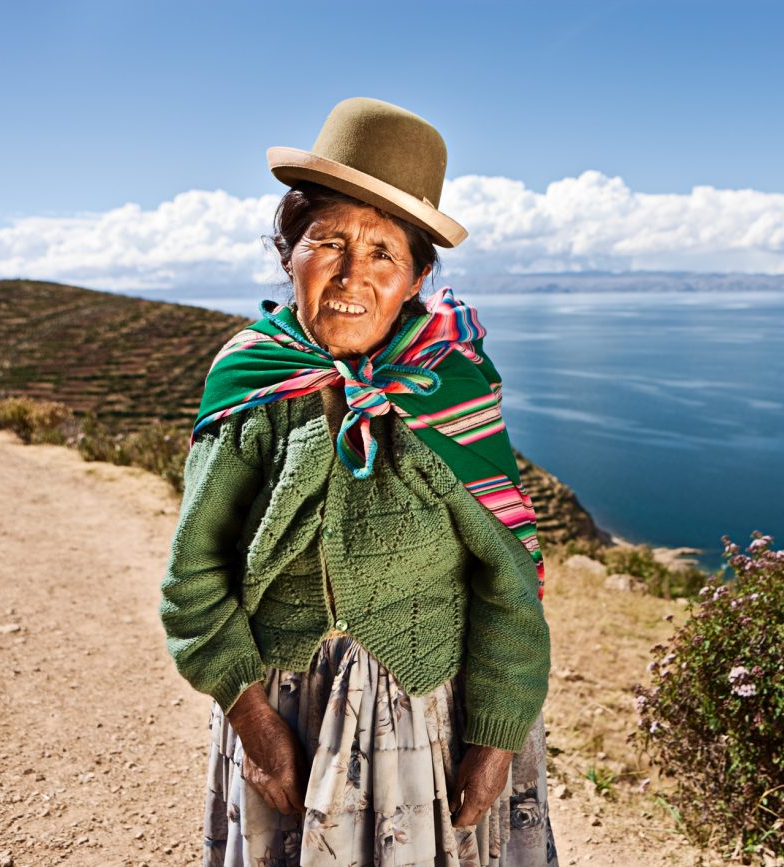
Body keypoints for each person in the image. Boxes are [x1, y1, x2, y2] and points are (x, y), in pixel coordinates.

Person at [158, 96, 558, 866]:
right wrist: (252, 717)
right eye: (328, 242)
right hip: (280, 712)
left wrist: (497, 733)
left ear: (415, 278)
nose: (352, 274)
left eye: (383, 252)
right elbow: (193, 574)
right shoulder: (251, 384)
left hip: (427, 721)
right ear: (289, 256)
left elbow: (510, 579)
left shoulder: (452, 389)